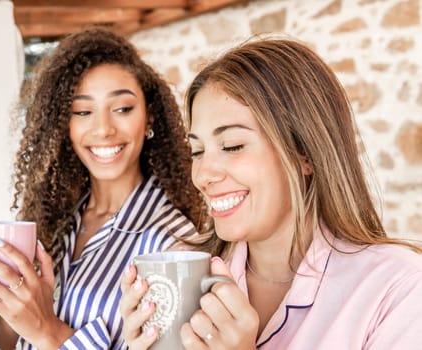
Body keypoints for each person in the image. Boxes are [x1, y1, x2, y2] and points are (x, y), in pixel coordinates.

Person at [119, 36, 422, 349]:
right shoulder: (183, 273)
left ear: (305, 152)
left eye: (232, 146)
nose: (203, 175)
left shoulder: (398, 288)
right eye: (196, 151)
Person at [0, 27, 206, 350]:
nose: (103, 129)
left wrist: (46, 330)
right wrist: (5, 300)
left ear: (149, 118)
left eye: (122, 109)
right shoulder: (56, 223)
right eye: (82, 112)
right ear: (65, 126)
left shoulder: (174, 246)